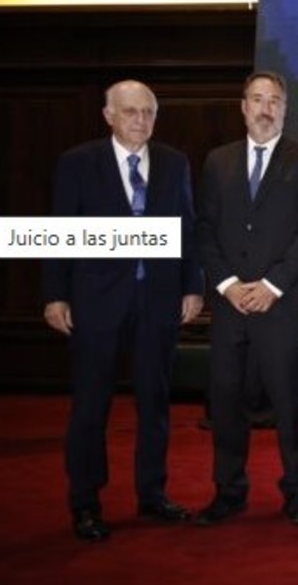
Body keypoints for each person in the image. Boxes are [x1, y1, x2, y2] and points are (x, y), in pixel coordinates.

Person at [41, 80, 203, 541]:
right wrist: (55, 295)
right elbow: (58, 231)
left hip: (159, 301)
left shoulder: (174, 162)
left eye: (148, 112)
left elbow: (187, 229)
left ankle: (152, 494)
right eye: (130, 111)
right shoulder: (78, 162)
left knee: (155, 404)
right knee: (91, 406)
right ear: (108, 115)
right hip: (96, 303)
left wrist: (193, 287)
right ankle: (85, 504)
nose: (140, 120)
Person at [194, 71, 298, 526]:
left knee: (290, 403)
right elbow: (205, 229)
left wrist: (271, 285)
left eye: (274, 100)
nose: (265, 108)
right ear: (243, 106)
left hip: (282, 305)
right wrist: (228, 284)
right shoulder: (218, 161)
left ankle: (297, 492)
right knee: (226, 402)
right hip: (230, 305)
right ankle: (228, 492)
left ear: (285, 109)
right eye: (257, 99)